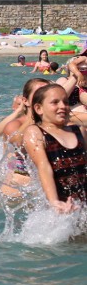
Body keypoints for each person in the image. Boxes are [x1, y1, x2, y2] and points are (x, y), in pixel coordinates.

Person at [22, 83, 87, 213]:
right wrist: (54, 202)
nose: (62, 106)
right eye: (55, 102)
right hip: (61, 204)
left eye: (65, 102)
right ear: (39, 108)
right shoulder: (35, 132)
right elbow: (44, 167)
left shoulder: (78, 130)